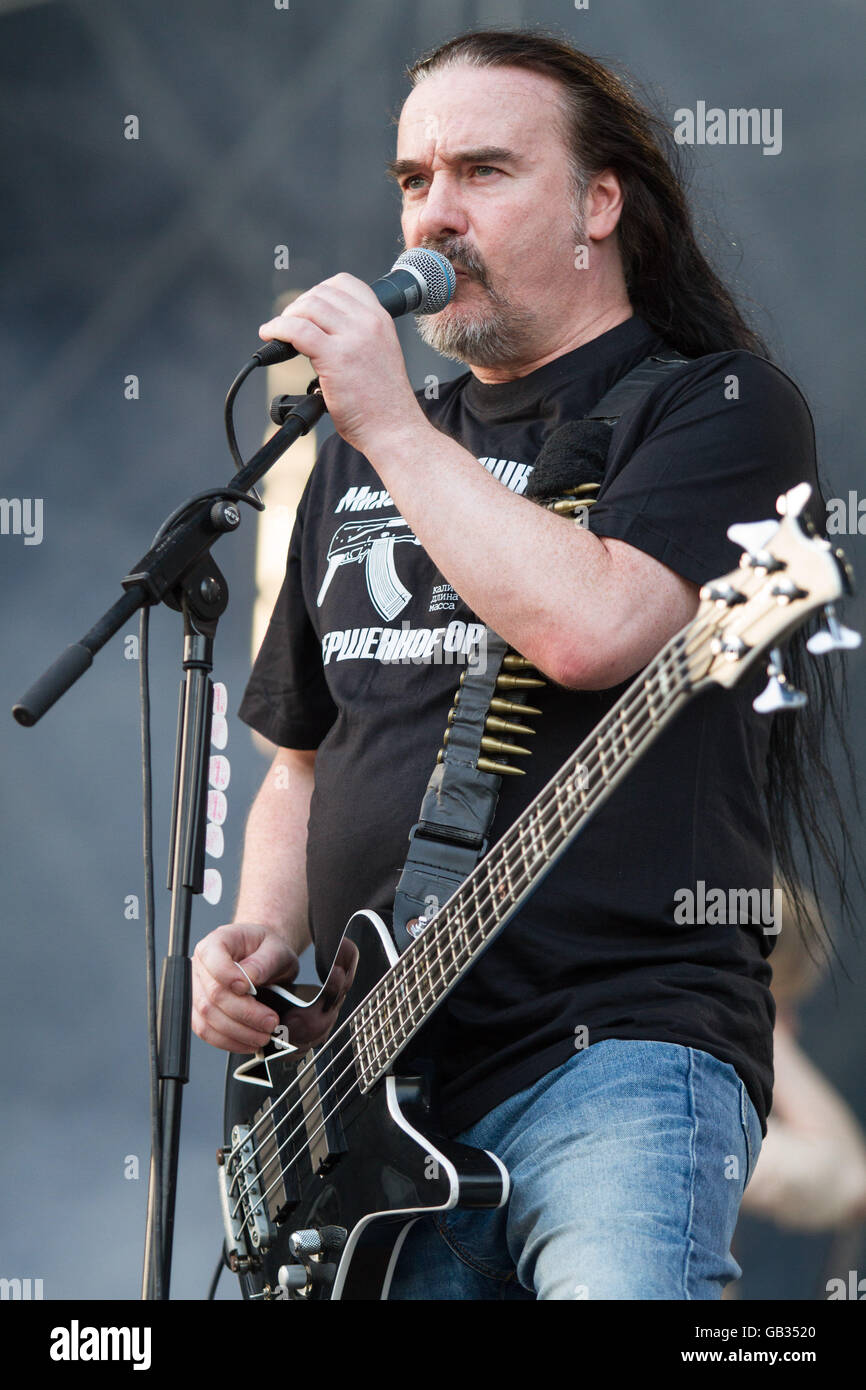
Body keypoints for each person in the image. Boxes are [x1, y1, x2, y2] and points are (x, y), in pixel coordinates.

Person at [191, 29, 839, 1299]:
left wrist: (379, 417)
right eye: (411, 178)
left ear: (600, 203)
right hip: (371, 1095)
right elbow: (299, 765)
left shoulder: (716, 408)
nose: (432, 214)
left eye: (481, 170)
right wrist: (264, 934)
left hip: (619, 1054)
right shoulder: (351, 460)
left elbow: (590, 629)